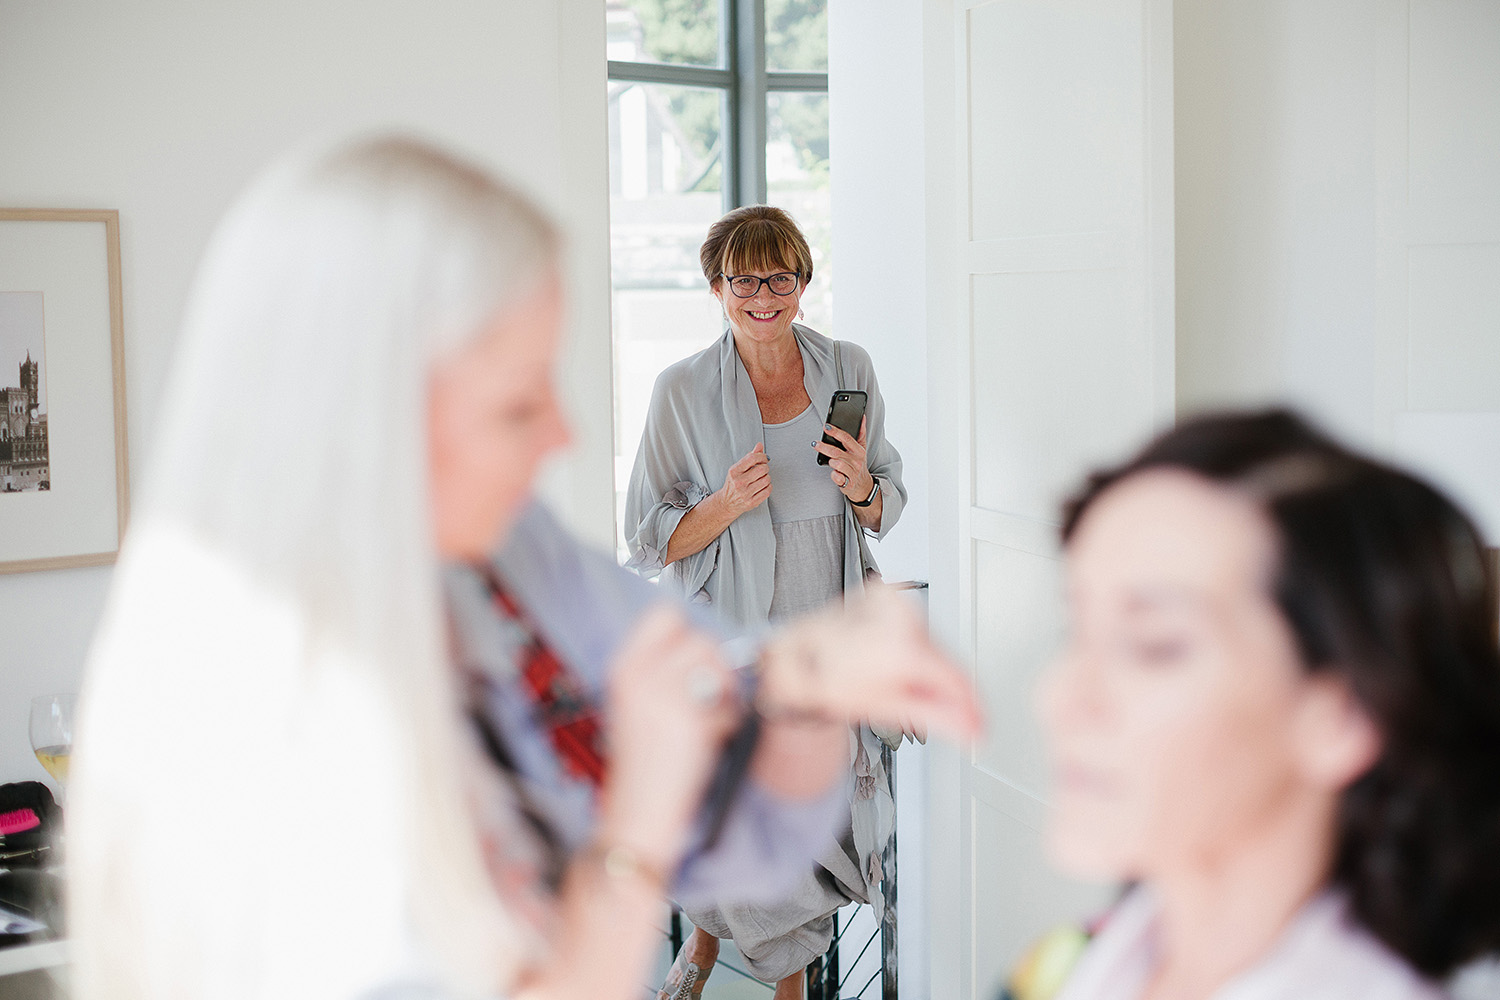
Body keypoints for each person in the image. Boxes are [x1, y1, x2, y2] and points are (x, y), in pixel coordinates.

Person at [66, 137, 980, 1000]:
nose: (563, 434)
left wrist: (802, 673)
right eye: (514, 400)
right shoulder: (261, 713)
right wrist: (643, 815)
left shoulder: (521, 553)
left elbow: (752, 833)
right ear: (363, 404)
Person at [1018, 409, 1500, 1000]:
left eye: (1155, 647)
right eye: (1076, 630)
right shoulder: (1081, 962)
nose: (1060, 697)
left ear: (1344, 717)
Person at [624, 205, 908, 1000]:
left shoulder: (848, 367)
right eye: (743, 279)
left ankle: (707, 945)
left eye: (778, 276)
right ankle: (758, 975)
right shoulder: (679, 389)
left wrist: (862, 489)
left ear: (803, 282)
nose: (762, 294)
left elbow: (887, 498)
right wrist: (720, 506)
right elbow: (647, 540)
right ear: (716, 288)